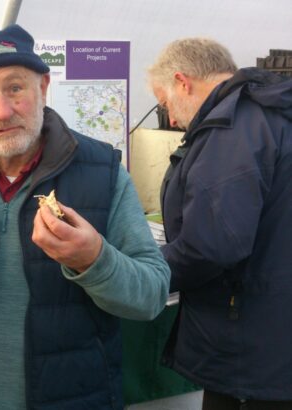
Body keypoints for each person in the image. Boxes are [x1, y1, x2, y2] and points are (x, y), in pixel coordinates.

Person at [0, 24, 170, 409]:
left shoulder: (103, 171)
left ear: (43, 87)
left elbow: (152, 296)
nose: (3, 110)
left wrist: (94, 260)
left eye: (15, 88)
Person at [147, 38, 292, 409]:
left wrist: (145, 272)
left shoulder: (232, 129)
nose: (173, 119)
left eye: (164, 104)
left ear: (183, 81)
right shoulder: (272, 112)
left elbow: (212, 244)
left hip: (251, 341)